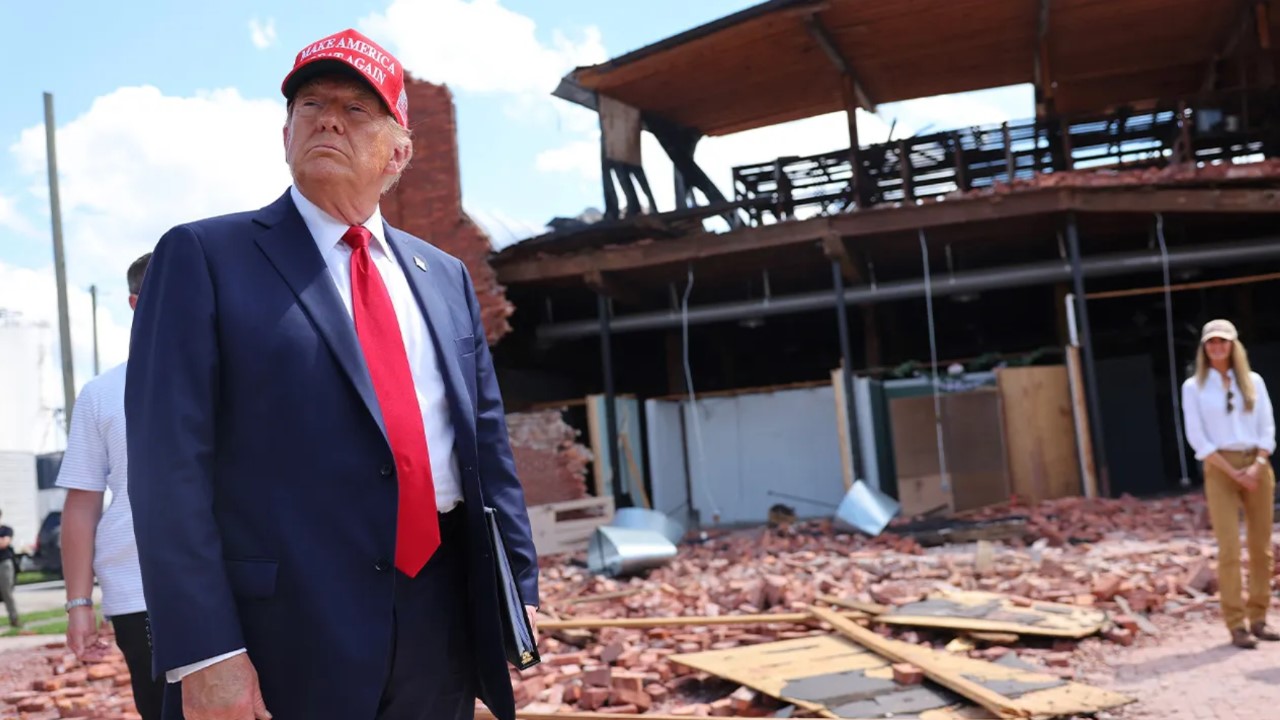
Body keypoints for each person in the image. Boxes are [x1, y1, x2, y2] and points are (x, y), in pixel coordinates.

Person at [125, 28, 538, 720]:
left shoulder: (445, 278)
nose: (328, 119)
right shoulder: (204, 257)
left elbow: (485, 448)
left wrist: (516, 588)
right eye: (311, 104)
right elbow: (168, 470)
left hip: (440, 618)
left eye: (357, 109)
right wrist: (206, 652)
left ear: (399, 152)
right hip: (281, 632)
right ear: (285, 132)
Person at [56, 252, 165, 720]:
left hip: (241, 579)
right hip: (140, 590)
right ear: (137, 303)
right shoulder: (101, 393)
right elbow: (81, 504)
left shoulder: (237, 375)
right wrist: (79, 604)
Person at [1181, 318, 1279, 649]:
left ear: (1233, 345)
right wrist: (1232, 471)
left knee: (1261, 546)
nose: (1217, 347)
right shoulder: (1193, 387)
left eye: (1223, 341)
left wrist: (1258, 464)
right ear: (1205, 348)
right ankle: (1235, 623)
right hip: (1220, 466)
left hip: (1257, 462)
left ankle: (1259, 616)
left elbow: (1267, 426)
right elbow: (1197, 436)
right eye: (1211, 342)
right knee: (1229, 547)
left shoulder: (1252, 381)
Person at [0, 509, 18, 629]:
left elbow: (3, 544)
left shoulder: (6, 530)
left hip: (4, 563)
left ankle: (14, 618)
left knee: (6, 592)